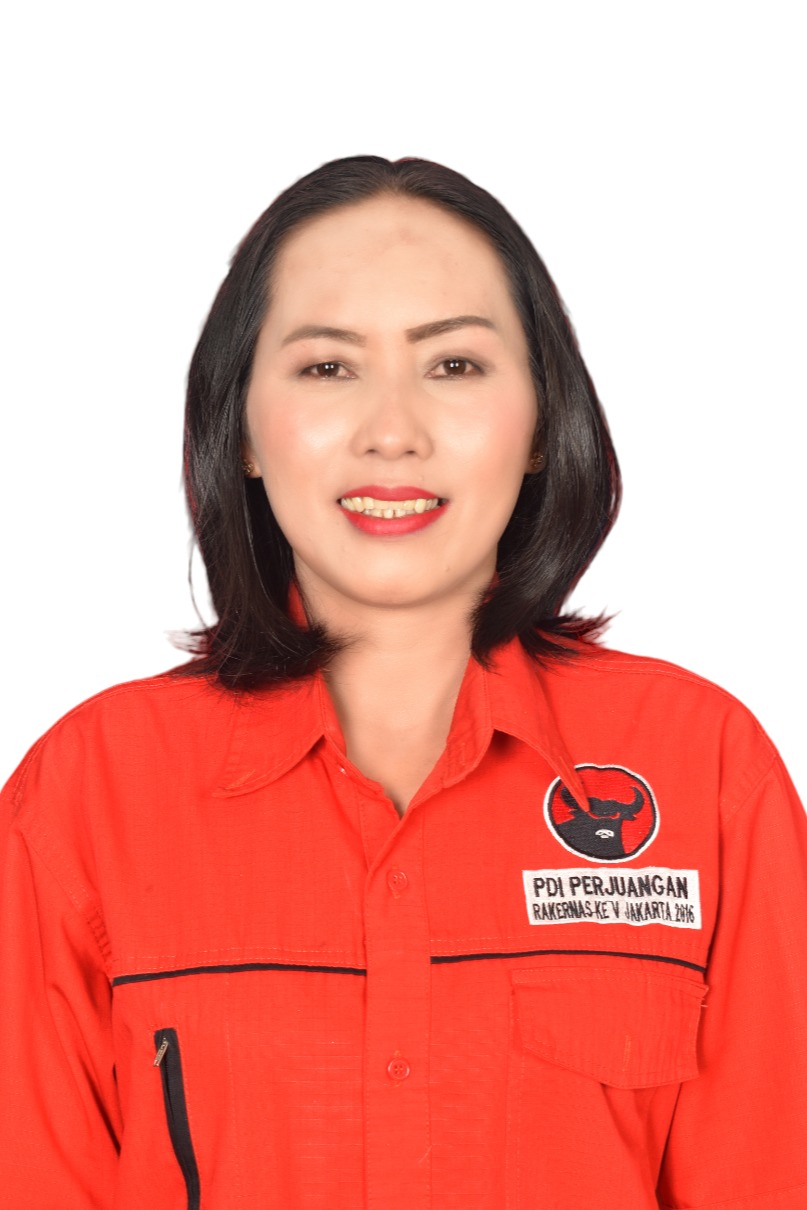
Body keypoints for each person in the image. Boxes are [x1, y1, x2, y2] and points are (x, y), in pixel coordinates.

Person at [1, 155, 806, 1210]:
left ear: (540, 423)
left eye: (454, 365)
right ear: (241, 429)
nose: (393, 431)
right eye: (327, 368)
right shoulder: (91, 791)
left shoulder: (701, 765)